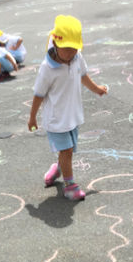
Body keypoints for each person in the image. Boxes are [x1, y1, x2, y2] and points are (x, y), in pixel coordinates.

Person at [27, 15, 107, 201]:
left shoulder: (77, 58)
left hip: (72, 115)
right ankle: (70, 185)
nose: (71, 53)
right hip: (56, 119)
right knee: (67, 151)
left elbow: (83, 75)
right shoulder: (47, 68)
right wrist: (32, 118)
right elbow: (38, 94)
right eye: (67, 49)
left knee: (68, 151)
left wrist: (97, 89)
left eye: (74, 48)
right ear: (55, 43)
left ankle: (57, 170)